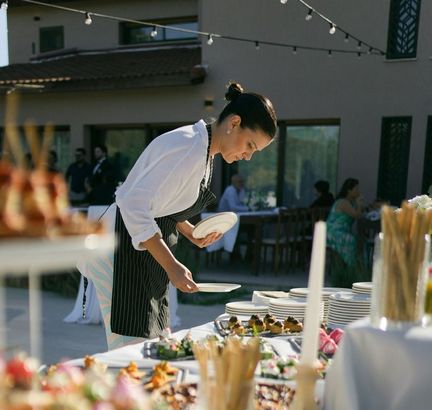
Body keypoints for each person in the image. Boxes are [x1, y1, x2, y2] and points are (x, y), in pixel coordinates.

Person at [78, 81, 277, 349]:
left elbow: (162, 202)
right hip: (121, 249)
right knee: (132, 349)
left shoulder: (205, 151)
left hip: (143, 251)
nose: (248, 156)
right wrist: (172, 266)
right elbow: (133, 204)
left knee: (154, 344)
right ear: (234, 123)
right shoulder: (189, 147)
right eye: (250, 145)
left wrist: (189, 231)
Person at [326, 177, 365, 286]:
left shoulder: (351, 202)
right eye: (356, 189)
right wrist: (359, 205)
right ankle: (351, 269)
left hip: (342, 232)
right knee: (351, 240)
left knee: (360, 240)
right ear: (349, 190)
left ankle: (357, 268)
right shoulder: (343, 202)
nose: (358, 192)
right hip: (334, 232)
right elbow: (356, 215)